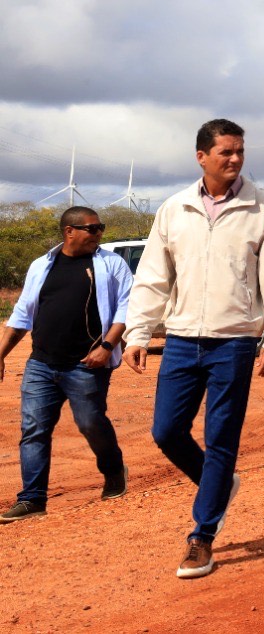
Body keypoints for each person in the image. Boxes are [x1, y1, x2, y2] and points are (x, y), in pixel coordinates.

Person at [124, 119, 264, 579]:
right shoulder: (174, 208)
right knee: (166, 431)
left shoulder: (262, 208)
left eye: (240, 151)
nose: (235, 159)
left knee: (222, 438)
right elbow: (153, 277)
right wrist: (138, 333)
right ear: (201, 156)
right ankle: (219, 486)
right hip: (180, 339)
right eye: (226, 152)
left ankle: (201, 536)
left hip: (235, 341)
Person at [1, 207, 132, 523]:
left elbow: (127, 310)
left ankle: (113, 469)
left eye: (100, 228)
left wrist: (106, 347)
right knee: (33, 429)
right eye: (93, 228)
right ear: (69, 231)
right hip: (41, 364)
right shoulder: (41, 265)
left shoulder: (110, 264)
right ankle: (32, 500)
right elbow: (22, 315)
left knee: (90, 423)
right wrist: (2, 353)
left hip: (87, 364)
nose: (99, 234)